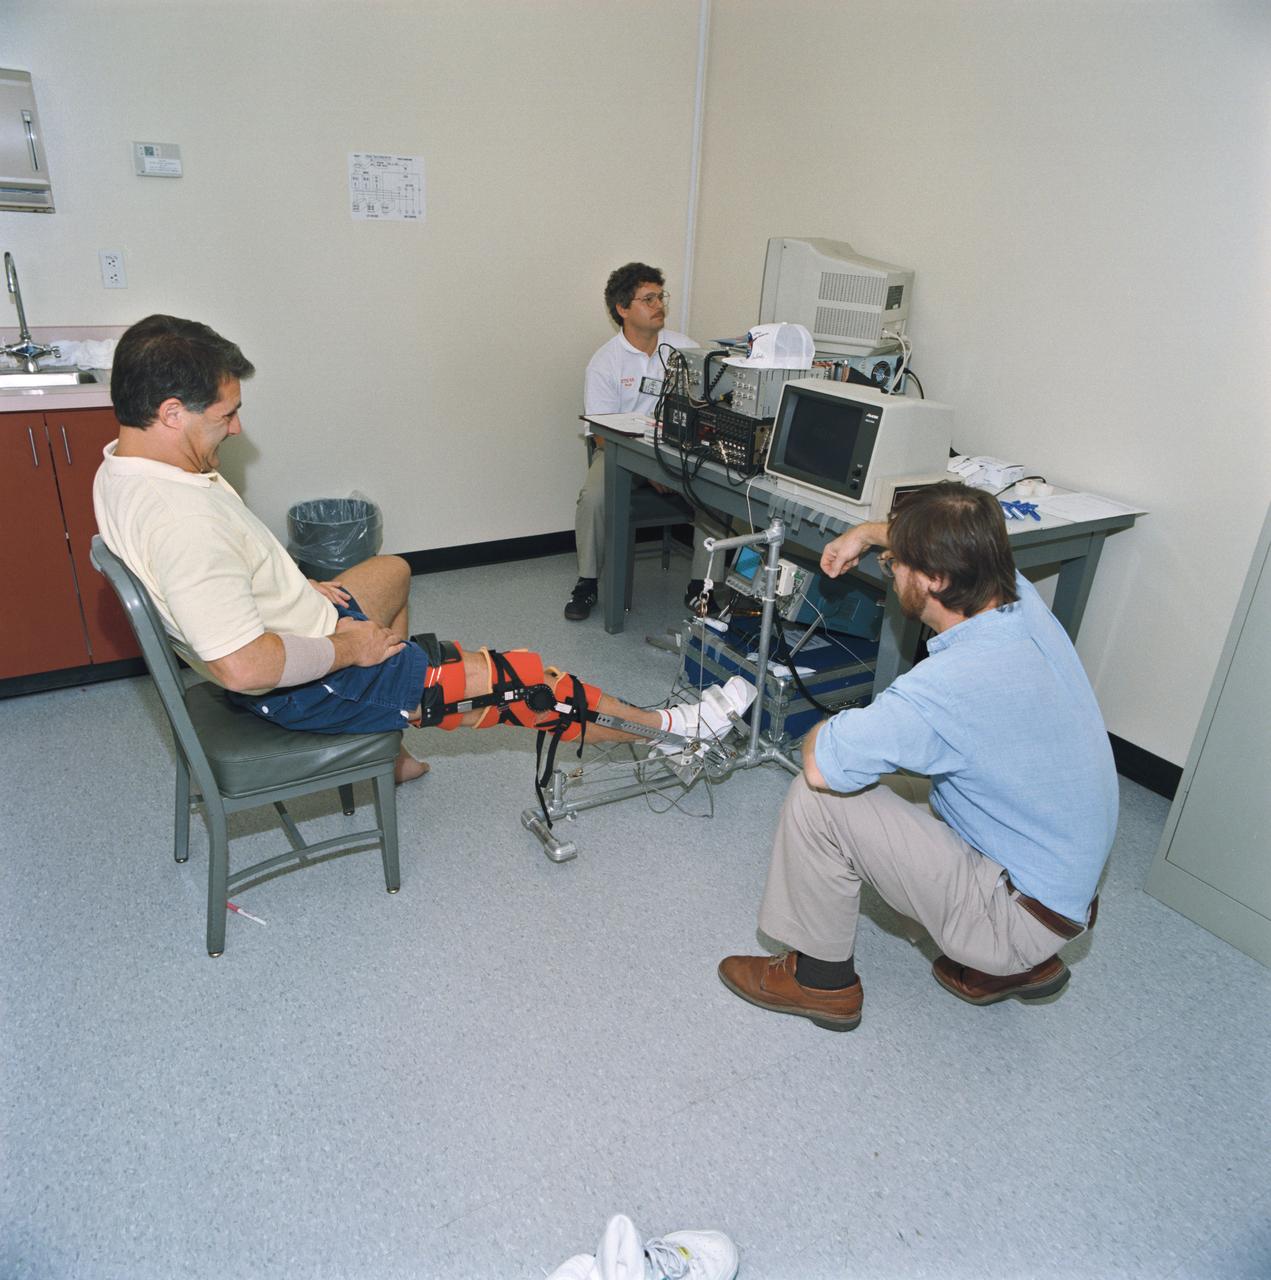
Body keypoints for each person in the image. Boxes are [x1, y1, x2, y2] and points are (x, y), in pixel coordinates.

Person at [93, 315, 755, 787]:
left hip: (286, 623)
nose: (237, 427)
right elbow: (242, 667)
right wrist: (351, 649)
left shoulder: (122, 465)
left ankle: (390, 740)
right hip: (297, 683)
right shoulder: (180, 520)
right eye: (225, 414)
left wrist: (292, 589)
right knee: (522, 681)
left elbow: (223, 573)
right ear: (173, 412)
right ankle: (676, 733)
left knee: (391, 572)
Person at [718, 482, 1118, 1031]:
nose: (888, 566)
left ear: (933, 578)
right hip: (1055, 886)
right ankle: (1016, 963)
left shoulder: (949, 685)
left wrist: (840, 728)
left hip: (1014, 915)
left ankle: (820, 981)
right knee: (905, 781)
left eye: (893, 562)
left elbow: (821, 762)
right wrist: (865, 532)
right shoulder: (1017, 601)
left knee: (820, 798)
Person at [565, 262, 715, 621]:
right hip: (620, 451)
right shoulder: (605, 362)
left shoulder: (684, 349)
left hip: (676, 452)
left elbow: (704, 408)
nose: (658, 304)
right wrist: (648, 471)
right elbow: (600, 434)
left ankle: (703, 587)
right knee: (594, 497)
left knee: (716, 496)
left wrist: (669, 463)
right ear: (622, 309)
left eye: (660, 296)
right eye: (647, 299)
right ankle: (587, 583)